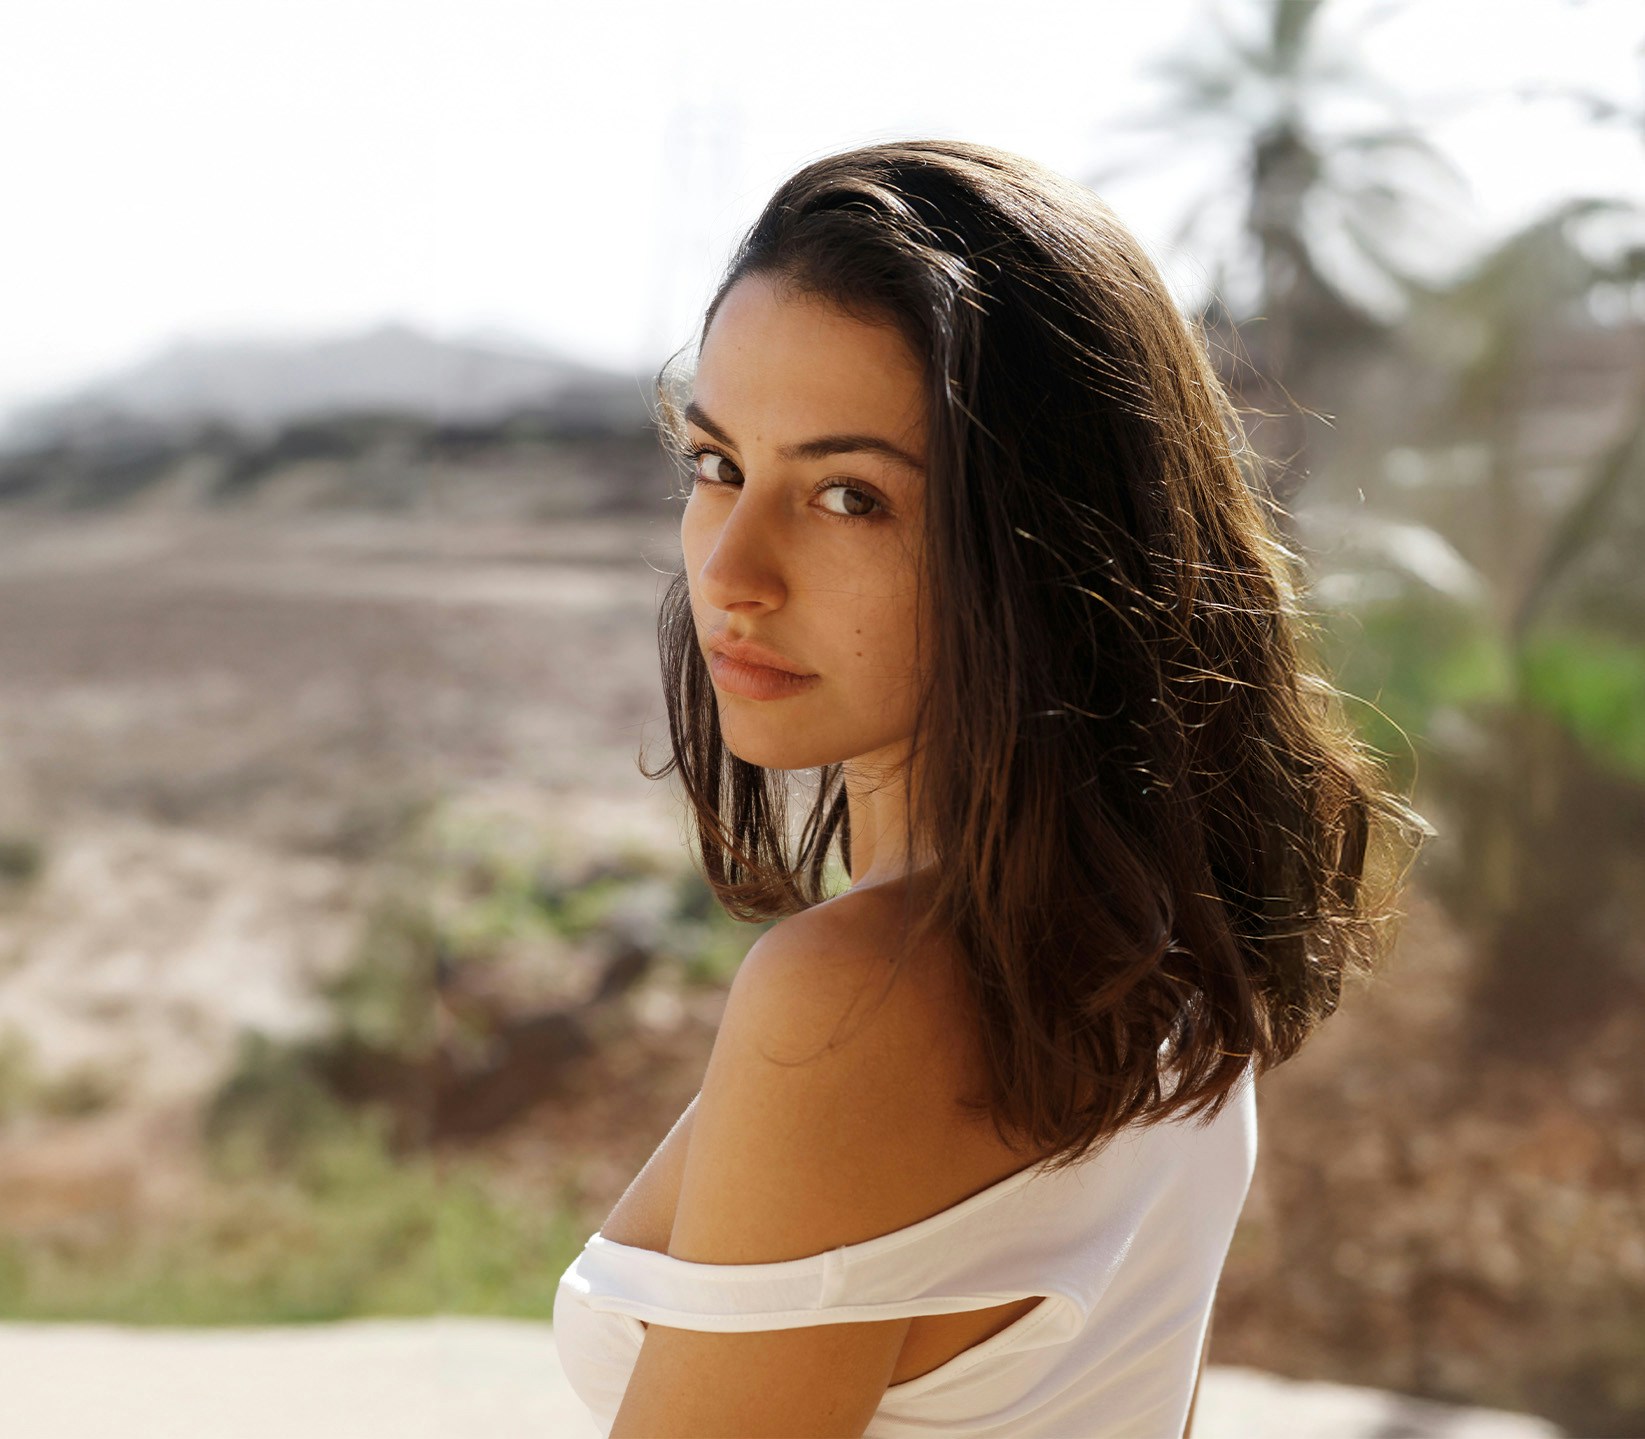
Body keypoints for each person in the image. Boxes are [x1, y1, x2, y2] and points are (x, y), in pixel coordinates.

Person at [553, 138, 1425, 1438]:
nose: (730, 569)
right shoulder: (1159, 940)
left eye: (850, 497)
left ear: (1043, 541)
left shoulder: (862, 998)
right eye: (717, 464)